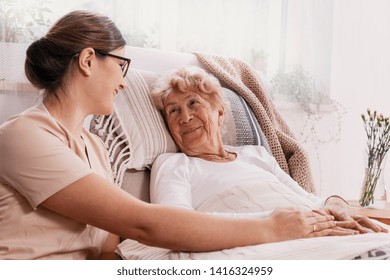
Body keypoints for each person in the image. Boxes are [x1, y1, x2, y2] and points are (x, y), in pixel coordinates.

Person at [0, 10, 342, 260]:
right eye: (121, 65)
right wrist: (272, 227)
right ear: (88, 60)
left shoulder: (93, 148)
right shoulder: (23, 136)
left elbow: (106, 249)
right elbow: (144, 225)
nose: (123, 81)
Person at [150, 66, 388, 235]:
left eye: (194, 103)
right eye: (173, 111)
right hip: (277, 243)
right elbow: (175, 226)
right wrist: (273, 225)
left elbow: (309, 199)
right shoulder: (173, 164)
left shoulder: (257, 155)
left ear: (220, 112)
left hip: (319, 230)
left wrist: (337, 204)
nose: (185, 117)